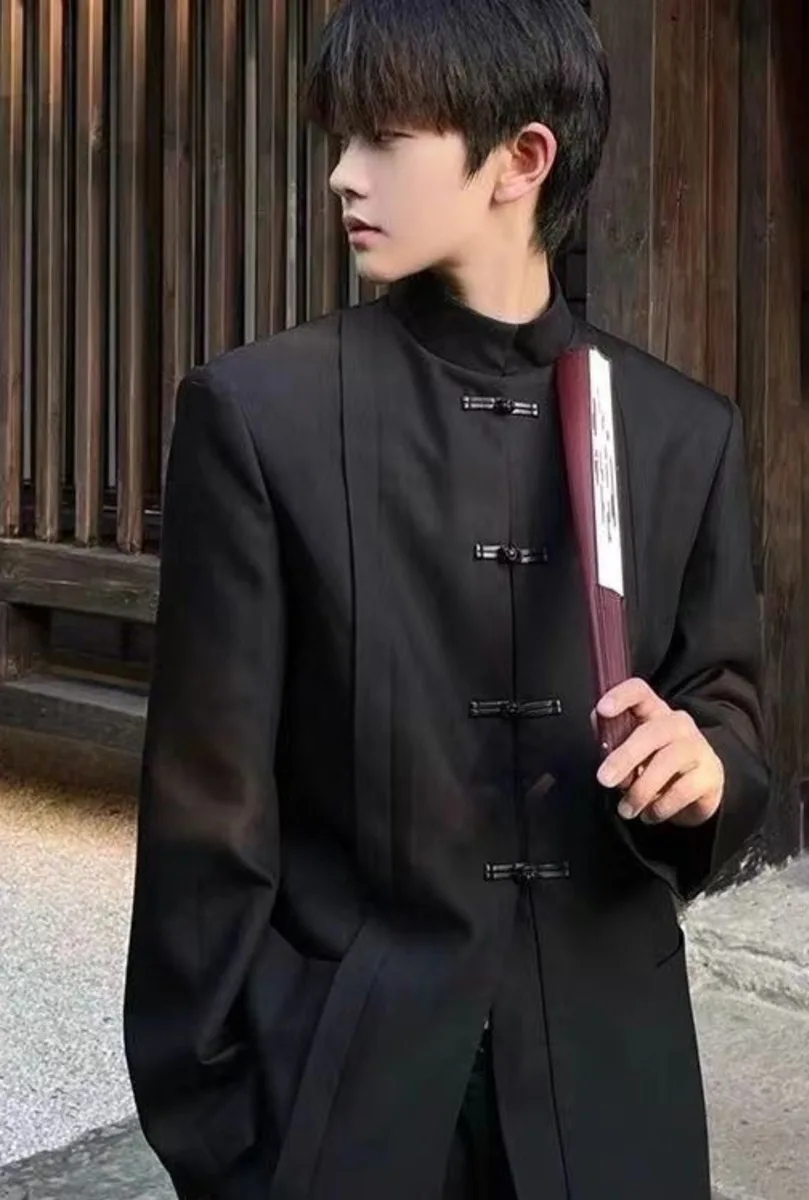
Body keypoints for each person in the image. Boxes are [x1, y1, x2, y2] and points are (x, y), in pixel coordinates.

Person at [123, 1, 770, 1197]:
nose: (341, 173)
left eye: (382, 137)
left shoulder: (681, 432)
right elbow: (206, 822)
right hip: (343, 1093)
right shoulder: (263, 417)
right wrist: (225, 1135)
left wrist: (707, 767)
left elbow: (724, 703)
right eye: (341, 137)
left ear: (521, 159)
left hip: (612, 1099)